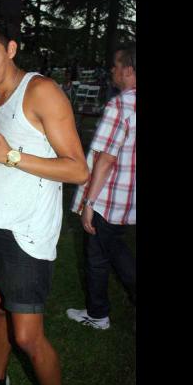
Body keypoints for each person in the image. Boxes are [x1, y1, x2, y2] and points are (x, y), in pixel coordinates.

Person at [0, 17, 89, 385]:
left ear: (11, 49)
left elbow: (77, 169)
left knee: (27, 336)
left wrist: (9, 155)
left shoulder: (40, 91)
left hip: (26, 234)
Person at [67, 44, 136, 331]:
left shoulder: (120, 106)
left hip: (107, 199)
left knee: (99, 255)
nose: (112, 70)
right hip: (129, 198)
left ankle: (98, 315)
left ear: (128, 70)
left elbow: (105, 159)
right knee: (111, 248)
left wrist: (89, 203)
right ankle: (98, 311)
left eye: (115, 66)